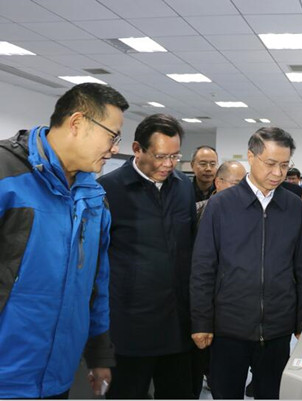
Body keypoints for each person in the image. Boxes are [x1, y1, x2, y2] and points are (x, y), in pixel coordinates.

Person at [0, 83, 129, 398]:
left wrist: (99, 355)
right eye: (112, 136)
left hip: (58, 377)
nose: (114, 149)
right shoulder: (6, 175)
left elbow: (96, 285)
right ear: (77, 123)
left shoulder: (95, 199)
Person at [190, 127, 302, 400]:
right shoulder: (220, 205)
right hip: (228, 328)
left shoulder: (295, 207)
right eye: (270, 163)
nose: (278, 173)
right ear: (250, 157)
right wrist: (201, 321)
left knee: (271, 394)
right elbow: (203, 268)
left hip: (277, 329)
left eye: (284, 165)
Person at [97, 114, 196, 399]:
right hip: (129, 328)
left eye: (175, 156)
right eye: (161, 156)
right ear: (137, 149)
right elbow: (95, 262)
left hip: (177, 325)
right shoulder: (108, 190)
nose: (168, 164)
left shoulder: (183, 186)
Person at [191, 159, 246, 397]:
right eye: (235, 183)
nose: (242, 189)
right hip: (208, 301)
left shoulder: (248, 211)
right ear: (218, 182)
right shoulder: (201, 210)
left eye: (244, 183)